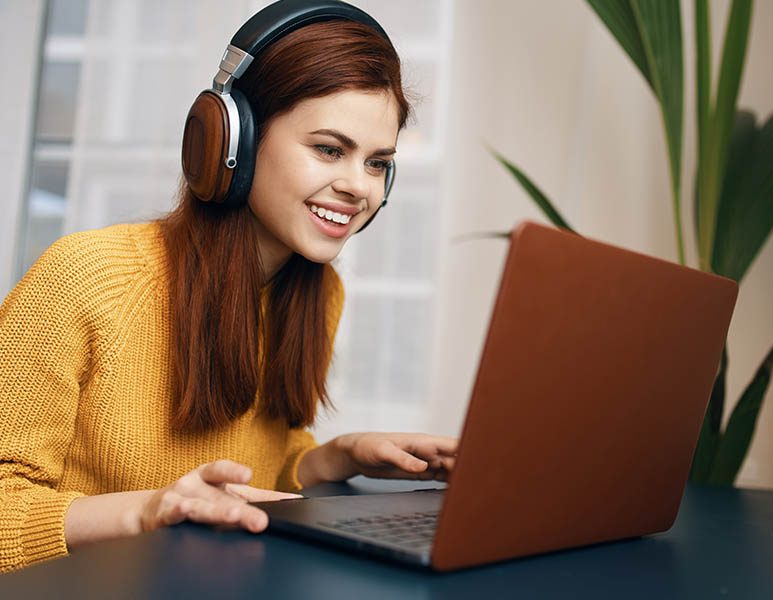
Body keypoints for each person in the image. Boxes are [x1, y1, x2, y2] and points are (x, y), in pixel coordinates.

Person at [0, 1, 456, 573]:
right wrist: (147, 513)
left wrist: (339, 457)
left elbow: (251, 464)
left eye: (376, 163)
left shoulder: (317, 291)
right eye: (329, 149)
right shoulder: (87, 277)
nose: (357, 187)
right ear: (231, 139)